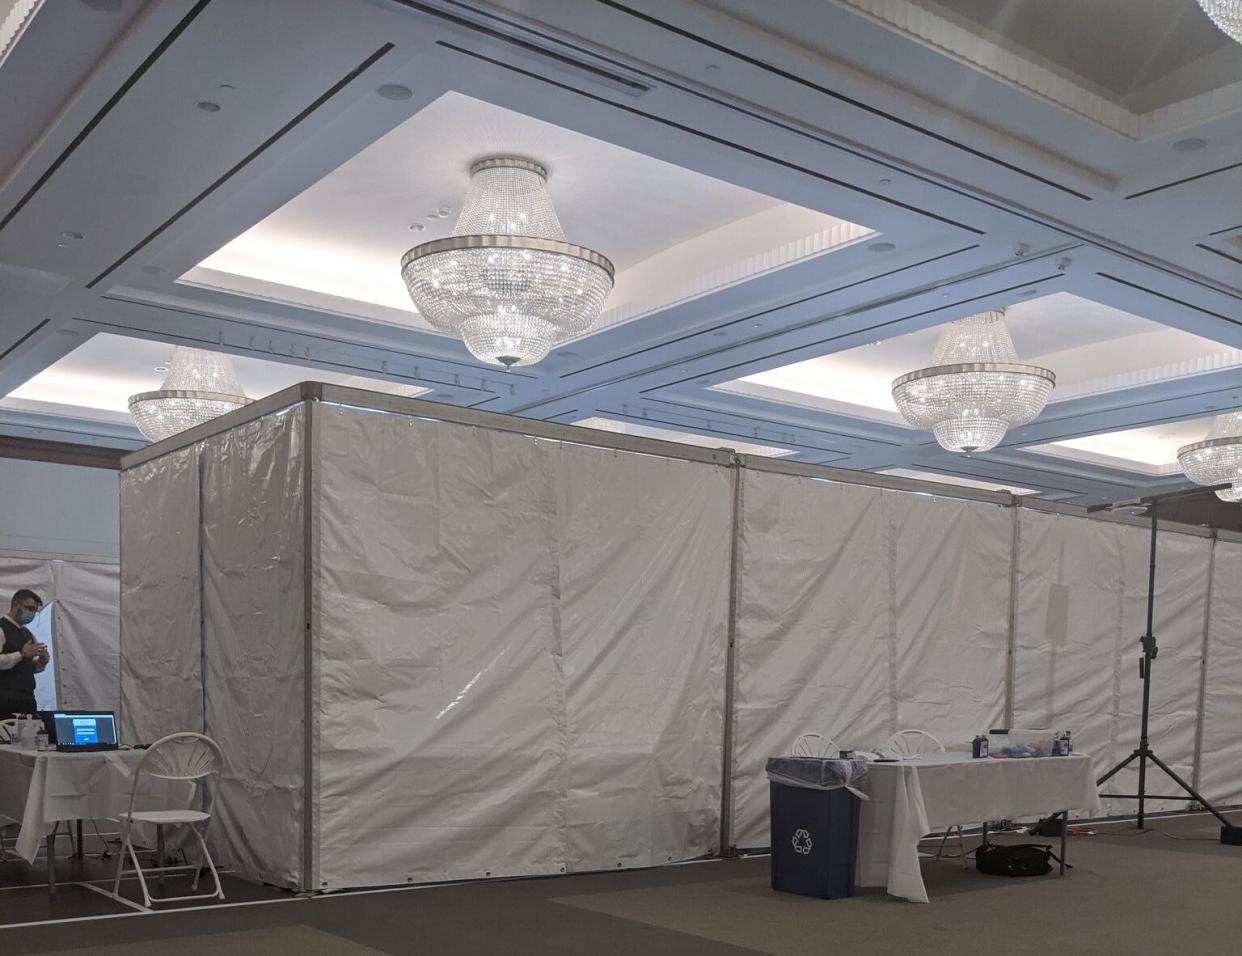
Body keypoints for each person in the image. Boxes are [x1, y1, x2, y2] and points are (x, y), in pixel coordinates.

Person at [0, 589, 49, 717]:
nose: (31, 613)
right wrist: (21, 654)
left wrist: (42, 662)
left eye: (34, 611)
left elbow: (27, 668)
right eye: (29, 608)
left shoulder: (27, 633)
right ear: (16, 605)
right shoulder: (1, 628)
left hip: (27, 700)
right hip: (4, 702)